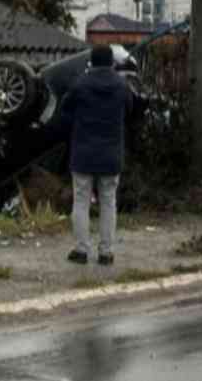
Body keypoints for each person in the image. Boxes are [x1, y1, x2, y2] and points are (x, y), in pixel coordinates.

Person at [59, 44, 134, 266]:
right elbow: (130, 110)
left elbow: (65, 109)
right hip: (111, 154)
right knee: (108, 203)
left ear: (90, 61)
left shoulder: (80, 84)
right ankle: (106, 253)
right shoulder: (121, 86)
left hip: (83, 153)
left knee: (81, 202)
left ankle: (81, 251)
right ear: (112, 62)